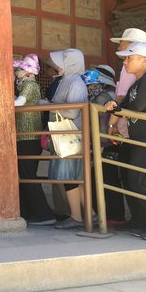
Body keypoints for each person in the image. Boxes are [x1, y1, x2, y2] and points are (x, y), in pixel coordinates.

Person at [106, 42, 146, 240]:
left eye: (130, 58)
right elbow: (124, 105)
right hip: (141, 138)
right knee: (134, 179)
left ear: (144, 60)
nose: (125, 62)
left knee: (140, 181)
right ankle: (142, 221)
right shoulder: (137, 82)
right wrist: (113, 105)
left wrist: (118, 109)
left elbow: (137, 105)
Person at [47, 49, 88, 230]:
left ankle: (77, 217)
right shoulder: (67, 80)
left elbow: (72, 111)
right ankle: (90, 214)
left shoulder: (75, 83)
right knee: (75, 176)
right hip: (65, 134)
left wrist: (48, 106)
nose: (57, 65)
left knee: (70, 177)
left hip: (71, 134)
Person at [13, 54, 55, 226]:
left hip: (29, 136)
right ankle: (29, 212)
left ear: (29, 72)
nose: (17, 72)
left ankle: (43, 214)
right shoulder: (25, 85)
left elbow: (18, 103)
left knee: (28, 175)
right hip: (24, 135)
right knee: (24, 175)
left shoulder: (29, 85)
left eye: (20, 69)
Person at [82, 69, 125, 226]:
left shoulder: (101, 98)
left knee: (105, 178)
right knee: (110, 179)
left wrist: (98, 149)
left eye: (92, 84)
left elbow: (100, 125)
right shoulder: (109, 95)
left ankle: (111, 216)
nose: (90, 87)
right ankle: (114, 215)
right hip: (109, 143)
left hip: (104, 144)